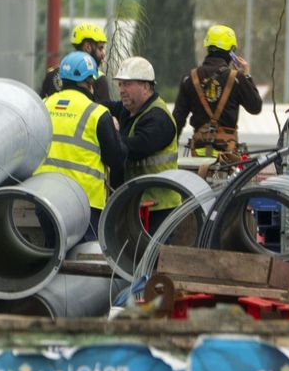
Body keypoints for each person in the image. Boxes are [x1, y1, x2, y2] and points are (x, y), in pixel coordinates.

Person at [34, 51, 127, 242]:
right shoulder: (98, 113)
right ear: (89, 82)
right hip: (84, 203)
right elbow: (117, 159)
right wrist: (116, 131)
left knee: (52, 254)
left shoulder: (42, 106)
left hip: (44, 198)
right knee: (82, 261)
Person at [111, 56, 181, 234]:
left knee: (154, 260)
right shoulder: (129, 110)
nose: (121, 90)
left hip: (159, 208)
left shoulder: (158, 118)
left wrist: (109, 136)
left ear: (145, 86)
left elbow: (136, 147)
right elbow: (101, 108)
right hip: (137, 205)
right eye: (120, 84)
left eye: (127, 84)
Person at [172, 24, 262, 158]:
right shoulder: (236, 78)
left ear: (208, 47)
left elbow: (177, 120)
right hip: (226, 158)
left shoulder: (189, 78)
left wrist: (170, 153)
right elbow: (255, 107)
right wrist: (246, 76)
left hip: (197, 157)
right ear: (231, 52)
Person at [39, 22, 110, 100]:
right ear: (88, 47)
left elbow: (41, 108)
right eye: (100, 48)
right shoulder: (98, 79)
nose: (103, 54)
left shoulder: (51, 74)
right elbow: (103, 111)